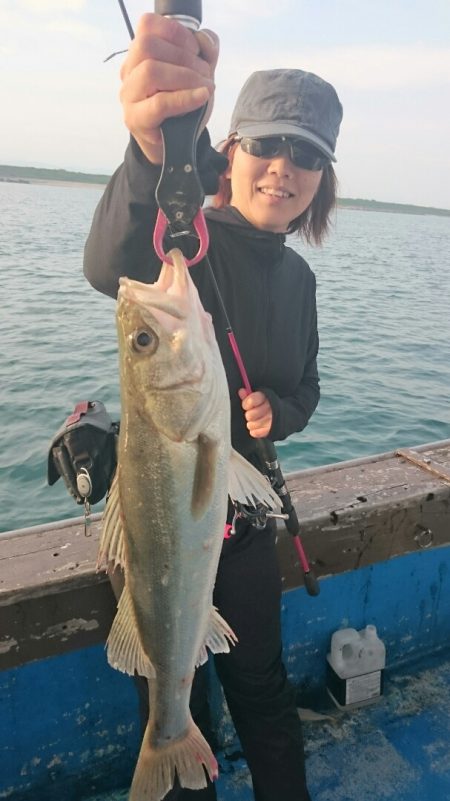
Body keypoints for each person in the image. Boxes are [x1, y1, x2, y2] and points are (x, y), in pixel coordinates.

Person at [84, 13, 343, 801]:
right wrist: (154, 146)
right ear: (229, 154)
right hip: (166, 523)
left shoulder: (300, 283)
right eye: (265, 144)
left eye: (306, 154)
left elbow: (308, 386)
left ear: (321, 180)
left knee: (260, 688)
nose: (282, 168)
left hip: (248, 528)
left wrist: (279, 417)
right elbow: (115, 263)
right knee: (176, 695)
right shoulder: (191, 242)